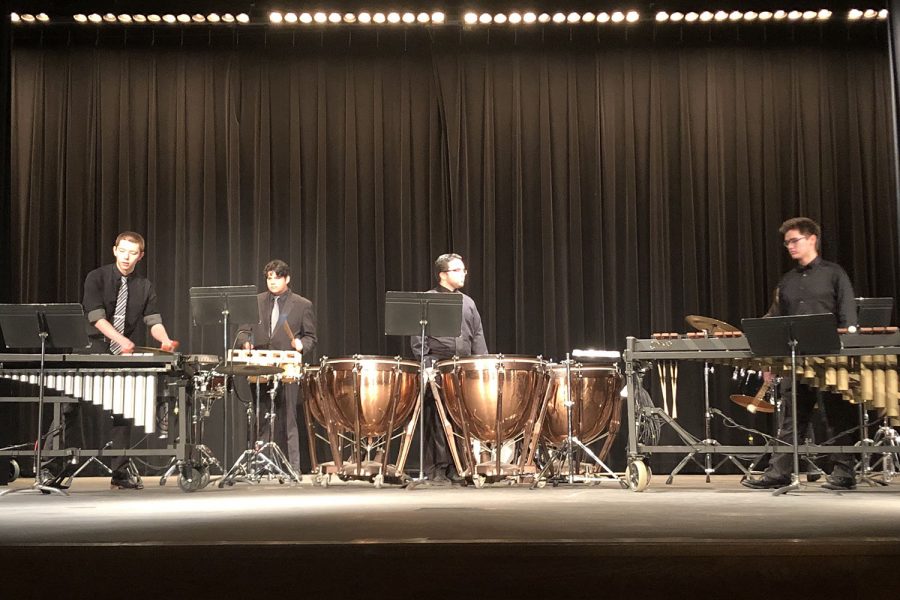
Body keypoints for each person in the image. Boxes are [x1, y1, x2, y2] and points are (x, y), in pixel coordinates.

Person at [742, 217, 858, 491]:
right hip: (796, 361)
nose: (789, 247)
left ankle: (844, 474)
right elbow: (774, 320)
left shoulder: (834, 274)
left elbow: (848, 316)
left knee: (839, 416)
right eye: (787, 243)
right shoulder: (787, 282)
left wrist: (848, 352)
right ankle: (778, 474)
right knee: (792, 419)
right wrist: (769, 359)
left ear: (812, 239)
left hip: (831, 360)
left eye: (794, 241)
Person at [81, 231, 177, 490]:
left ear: (140, 256)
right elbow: (96, 317)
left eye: (132, 252)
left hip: (122, 356)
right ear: (115, 250)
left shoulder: (144, 286)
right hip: (92, 349)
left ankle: (119, 471)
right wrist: (120, 339)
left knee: (123, 411)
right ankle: (50, 466)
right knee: (67, 406)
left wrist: (165, 340)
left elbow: (153, 321)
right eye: (122, 250)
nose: (126, 256)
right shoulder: (97, 277)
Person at [411, 253, 488, 484]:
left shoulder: (468, 302)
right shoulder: (428, 299)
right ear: (443, 275)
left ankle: (459, 467)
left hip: (462, 367)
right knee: (437, 418)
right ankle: (438, 468)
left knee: (461, 419)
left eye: (463, 270)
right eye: (457, 270)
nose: (463, 273)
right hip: (438, 364)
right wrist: (427, 365)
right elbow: (418, 339)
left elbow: (477, 336)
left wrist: (480, 365)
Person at [239, 259, 316, 474]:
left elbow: (310, 337)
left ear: (287, 279)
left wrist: (301, 344)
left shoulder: (302, 304)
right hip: (260, 365)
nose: (272, 282)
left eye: (277, 278)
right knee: (261, 415)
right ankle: (260, 465)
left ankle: (293, 468)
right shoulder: (255, 302)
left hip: (288, 366)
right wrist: (245, 342)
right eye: (269, 278)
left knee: (289, 417)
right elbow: (244, 331)